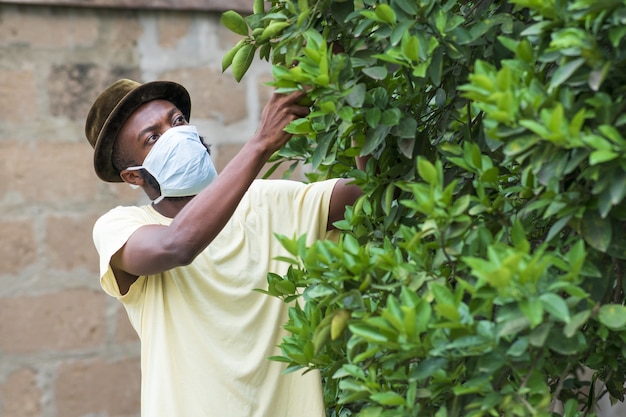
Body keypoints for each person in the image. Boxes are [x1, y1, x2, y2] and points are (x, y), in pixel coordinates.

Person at [84, 79, 363, 417]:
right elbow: (178, 245)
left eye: (177, 121)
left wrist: (352, 89)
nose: (176, 135)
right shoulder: (121, 228)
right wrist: (260, 144)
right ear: (133, 176)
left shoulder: (268, 202)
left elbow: (373, 189)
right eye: (153, 138)